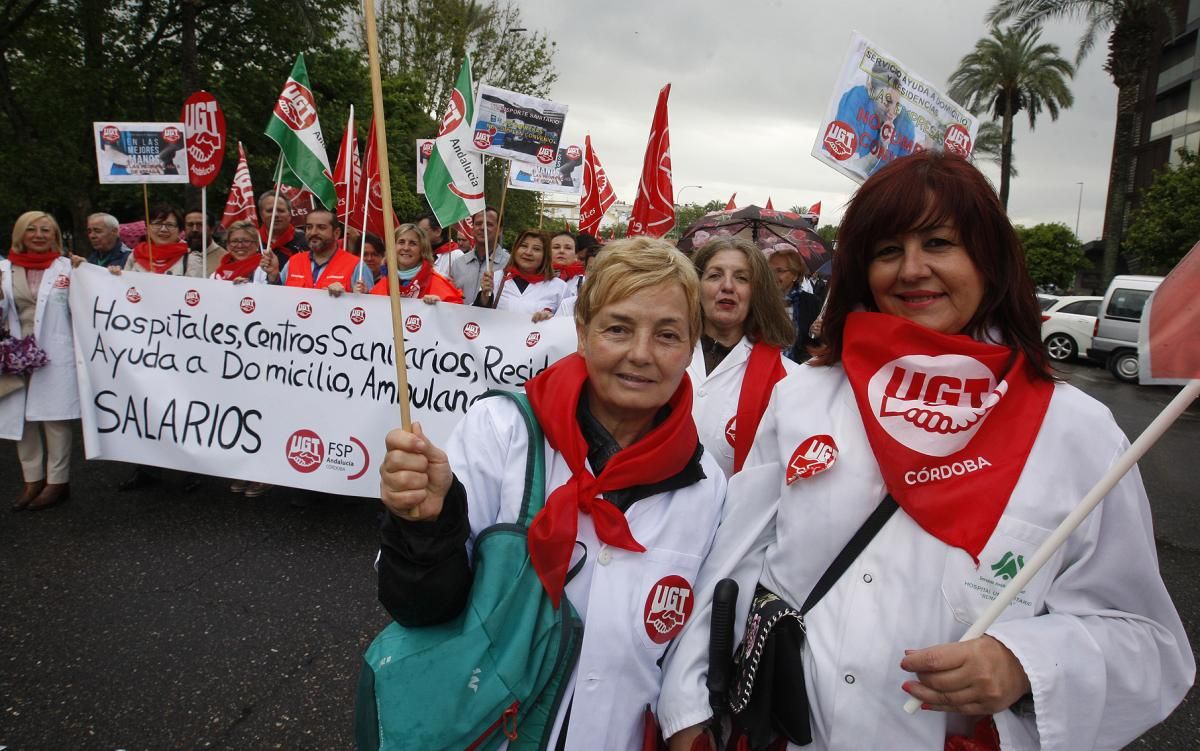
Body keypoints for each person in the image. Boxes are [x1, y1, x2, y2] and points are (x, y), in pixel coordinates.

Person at [659, 153, 1194, 750]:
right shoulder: (804, 396)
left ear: (988, 259)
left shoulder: (1076, 429)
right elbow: (734, 559)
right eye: (888, 250)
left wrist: (1025, 664)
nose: (912, 270)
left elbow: (1148, 640)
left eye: (939, 243)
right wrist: (687, 710)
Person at [376, 238, 727, 749]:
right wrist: (424, 526)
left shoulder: (706, 483)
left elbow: (686, 650)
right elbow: (418, 608)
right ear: (582, 333)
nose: (641, 354)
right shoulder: (502, 430)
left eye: (668, 334)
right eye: (618, 328)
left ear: (692, 347)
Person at [687, 238, 798, 480]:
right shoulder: (662, 356)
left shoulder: (790, 381)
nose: (727, 286)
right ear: (696, 286)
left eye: (741, 278)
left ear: (757, 293)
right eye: (715, 275)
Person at [0, 211, 80, 510]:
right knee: (21, 420)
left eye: (46, 230)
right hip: (14, 354)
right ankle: (32, 480)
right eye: (31, 229)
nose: (38, 235)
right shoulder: (4, 269)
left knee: (54, 419)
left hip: (55, 352)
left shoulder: (69, 268)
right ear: (20, 234)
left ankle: (57, 482)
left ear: (55, 236)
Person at [833, 58, 917, 177]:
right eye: (887, 102)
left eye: (897, 105)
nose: (892, 112)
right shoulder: (855, 99)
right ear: (871, 90)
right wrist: (881, 146)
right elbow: (846, 164)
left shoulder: (906, 123)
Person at [260, 208, 369, 296]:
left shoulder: (357, 266)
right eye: (309, 227)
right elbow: (277, 300)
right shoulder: (294, 261)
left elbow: (372, 311)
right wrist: (274, 276)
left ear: (336, 233)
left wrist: (348, 298)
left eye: (321, 228)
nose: (313, 232)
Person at [361, 223, 462, 304]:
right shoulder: (381, 285)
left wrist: (441, 308)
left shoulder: (438, 284)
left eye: (413, 243)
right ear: (393, 247)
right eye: (401, 242)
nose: (406, 248)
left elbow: (456, 320)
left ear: (422, 249)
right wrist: (360, 299)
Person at [481, 229, 565, 322]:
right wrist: (484, 296)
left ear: (545, 255)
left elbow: (566, 324)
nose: (528, 252)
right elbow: (478, 318)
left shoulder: (559, 287)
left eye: (536, 249)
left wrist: (550, 319)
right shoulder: (496, 278)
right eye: (524, 246)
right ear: (515, 249)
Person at [112, 204, 203, 277]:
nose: (163, 229)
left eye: (170, 225)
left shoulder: (190, 258)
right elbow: (126, 288)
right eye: (157, 224)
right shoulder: (135, 255)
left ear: (179, 231)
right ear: (147, 228)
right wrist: (116, 276)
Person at [768, 245, 823, 363]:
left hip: (796, 368)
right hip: (765, 364)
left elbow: (817, 343)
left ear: (795, 275)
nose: (772, 276)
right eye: (770, 270)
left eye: (779, 271)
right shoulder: (761, 300)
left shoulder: (811, 302)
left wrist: (819, 333)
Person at [450, 206, 508, 304]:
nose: (482, 228)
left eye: (489, 224)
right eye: (478, 223)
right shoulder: (458, 263)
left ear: (500, 230)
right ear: (472, 229)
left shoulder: (509, 264)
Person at [258, 190, 306, 266]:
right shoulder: (252, 242)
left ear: (290, 215)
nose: (275, 215)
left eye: (281, 211)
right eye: (270, 211)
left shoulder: (305, 241)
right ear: (261, 215)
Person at [416, 212, 463, 278]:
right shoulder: (419, 253)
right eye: (417, 231)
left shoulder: (456, 255)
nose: (418, 235)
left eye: (423, 231)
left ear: (438, 231)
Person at [184, 210, 225, 276]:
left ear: (212, 229)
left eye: (200, 225)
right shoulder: (177, 256)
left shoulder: (226, 259)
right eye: (190, 225)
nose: (194, 229)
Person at [550, 231, 585, 299]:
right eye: (556, 247)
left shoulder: (584, 281)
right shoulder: (536, 278)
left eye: (568, 248)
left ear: (576, 255)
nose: (561, 251)